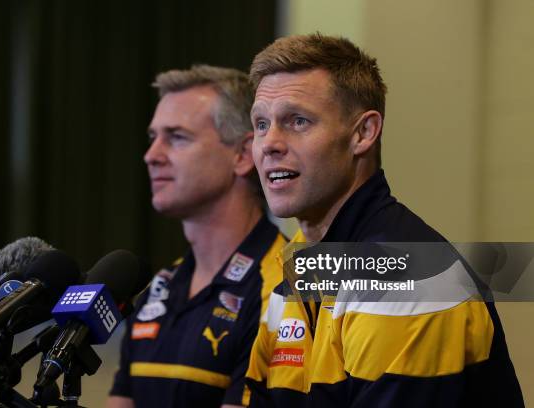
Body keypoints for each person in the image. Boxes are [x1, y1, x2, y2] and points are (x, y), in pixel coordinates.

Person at [246, 33, 524, 407]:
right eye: (261, 124)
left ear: (363, 133)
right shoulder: (298, 259)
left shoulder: (406, 277)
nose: (269, 144)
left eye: (297, 121)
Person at [107, 65, 285, 408]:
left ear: (243, 154)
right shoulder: (160, 286)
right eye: (152, 137)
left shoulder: (282, 288)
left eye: (176, 137)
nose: (151, 155)